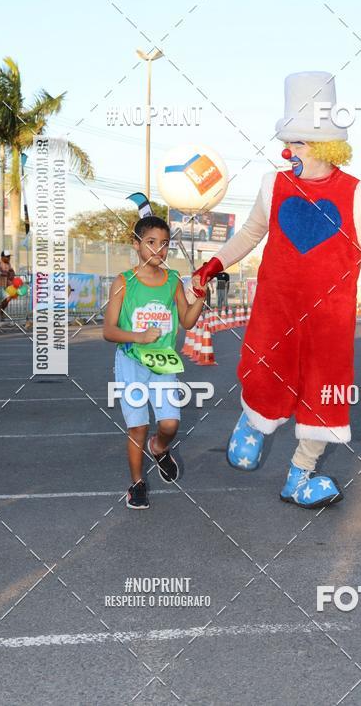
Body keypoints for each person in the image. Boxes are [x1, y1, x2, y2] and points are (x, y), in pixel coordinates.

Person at [191, 71, 361, 509]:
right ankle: (252, 422)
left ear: (323, 146)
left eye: (297, 144)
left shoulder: (360, 195)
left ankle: (299, 477)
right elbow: (249, 233)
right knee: (265, 374)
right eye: (288, 143)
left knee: (326, 396)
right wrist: (216, 261)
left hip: (329, 324)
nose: (287, 151)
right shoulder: (273, 184)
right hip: (276, 312)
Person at [103, 214, 208, 510]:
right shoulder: (124, 282)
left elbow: (187, 321)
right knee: (138, 426)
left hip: (163, 363)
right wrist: (138, 336)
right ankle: (137, 484)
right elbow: (109, 330)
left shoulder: (173, 280)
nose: (158, 250)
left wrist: (200, 297)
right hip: (131, 363)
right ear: (136, 245)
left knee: (171, 424)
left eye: (164, 245)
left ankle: (159, 449)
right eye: (151, 243)